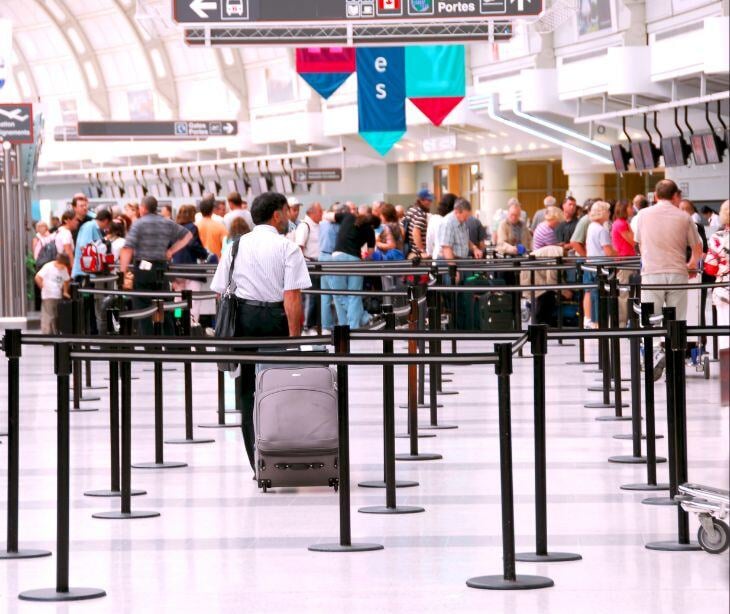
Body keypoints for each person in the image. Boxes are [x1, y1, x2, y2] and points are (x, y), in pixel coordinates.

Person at [210, 192, 311, 473]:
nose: (290, 217)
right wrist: (294, 341)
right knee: (278, 387)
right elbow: (292, 298)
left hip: (242, 320)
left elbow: (221, 291)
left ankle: (256, 462)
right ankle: (278, 457)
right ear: (277, 215)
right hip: (274, 319)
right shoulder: (287, 248)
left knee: (246, 391)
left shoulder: (235, 246)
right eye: (286, 212)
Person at [119, 196, 193, 334]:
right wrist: (171, 251)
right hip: (161, 269)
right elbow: (188, 235)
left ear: (143, 208)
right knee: (165, 306)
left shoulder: (139, 224)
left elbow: (127, 248)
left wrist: (122, 274)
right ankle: (171, 344)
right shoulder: (166, 222)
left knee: (142, 309)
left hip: (143, 270)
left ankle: (150, 345)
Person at [635, 179, 702, 325]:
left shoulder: (643, 215)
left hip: (651, 272)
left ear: (655, 196)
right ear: (674, 196)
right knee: (676, 320)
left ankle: (651, 346)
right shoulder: (684, 217)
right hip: (677, 272)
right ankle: (675, 347)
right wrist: (691, 264)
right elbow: (697, 247)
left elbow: (640, 244)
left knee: (650, 319)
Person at [331, 209, 377, 329]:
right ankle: (355, 324)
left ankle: (361, 319)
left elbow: (329, 216)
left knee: (339, 293)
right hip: (355, 259)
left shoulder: (347, 216)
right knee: (354, 294)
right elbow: (370, 252)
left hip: (338, 257)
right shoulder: (370, 229)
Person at [582, 201, 616, 328]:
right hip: (601, 267)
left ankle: (590, 319)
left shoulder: (591, 227)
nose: (609, 213)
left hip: (590, 264)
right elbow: (608, 251)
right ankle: (598, 322)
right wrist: (617, 255)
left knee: (591, 292)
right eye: (608, 211)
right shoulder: (602, 230)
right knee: (599, 295)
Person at [703, 200, 729, 353]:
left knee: (726, 335)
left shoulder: (717, 237)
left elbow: (711, 269)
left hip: (724, 291)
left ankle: (728, 372)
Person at [295, 203, 323, 333]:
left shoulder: (317, 225)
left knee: (317, 296)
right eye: (320, 212)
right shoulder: (304, 226)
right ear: (312, 212)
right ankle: (307, 324)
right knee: (310, 296)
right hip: (309, 265)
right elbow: (299, 247)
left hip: (318, 264)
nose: (322, 214)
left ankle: (314, 322)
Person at [318, 204, 343, 335]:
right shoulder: (337, 226)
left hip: (321, 257)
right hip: (331, 258)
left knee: (325, 295)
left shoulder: (322, 224)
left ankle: (326, 325)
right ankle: (343, 324)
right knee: (337, 293)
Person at [611, 200, 636, 326]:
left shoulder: (622, 223)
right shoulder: (621, 224)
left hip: (627, 260)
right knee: (624, 293)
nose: (632, 209)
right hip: (625, 261)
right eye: (630, 206)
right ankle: (622, 322)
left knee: (626, 292)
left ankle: (625, 321)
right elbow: (633, 241)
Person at [35, 253, 71, 334]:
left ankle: (55, 334)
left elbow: (67, 280)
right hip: (48, 295)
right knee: (49, 316)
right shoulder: (48, 266)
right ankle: (48, 334)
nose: (63, 267)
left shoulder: (64, 268)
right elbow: (38, 277)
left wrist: (65, 291)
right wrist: (43, 287)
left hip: (57, 295)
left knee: (56, 316)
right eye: (62, 265)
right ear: (58, 262)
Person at [196, 194, 228, 260]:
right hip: (216, 262)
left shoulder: (195, 226)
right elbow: (226, 245)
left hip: (200, 262)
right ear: (212, 209)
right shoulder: (220, 223)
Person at [426, 193, 456, 259]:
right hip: (453, 256)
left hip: (437, 256)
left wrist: (429, 253)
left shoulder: (434, 219)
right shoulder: (453, 220)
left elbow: (429, 239)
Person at [405, 189, 433, 258]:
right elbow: (415, 233)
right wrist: (422, 250)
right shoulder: (421, 215)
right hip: (418, 254)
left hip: (409, 251)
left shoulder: (411, 210)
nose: (430, 202)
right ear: (421, 200)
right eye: (428, 200)